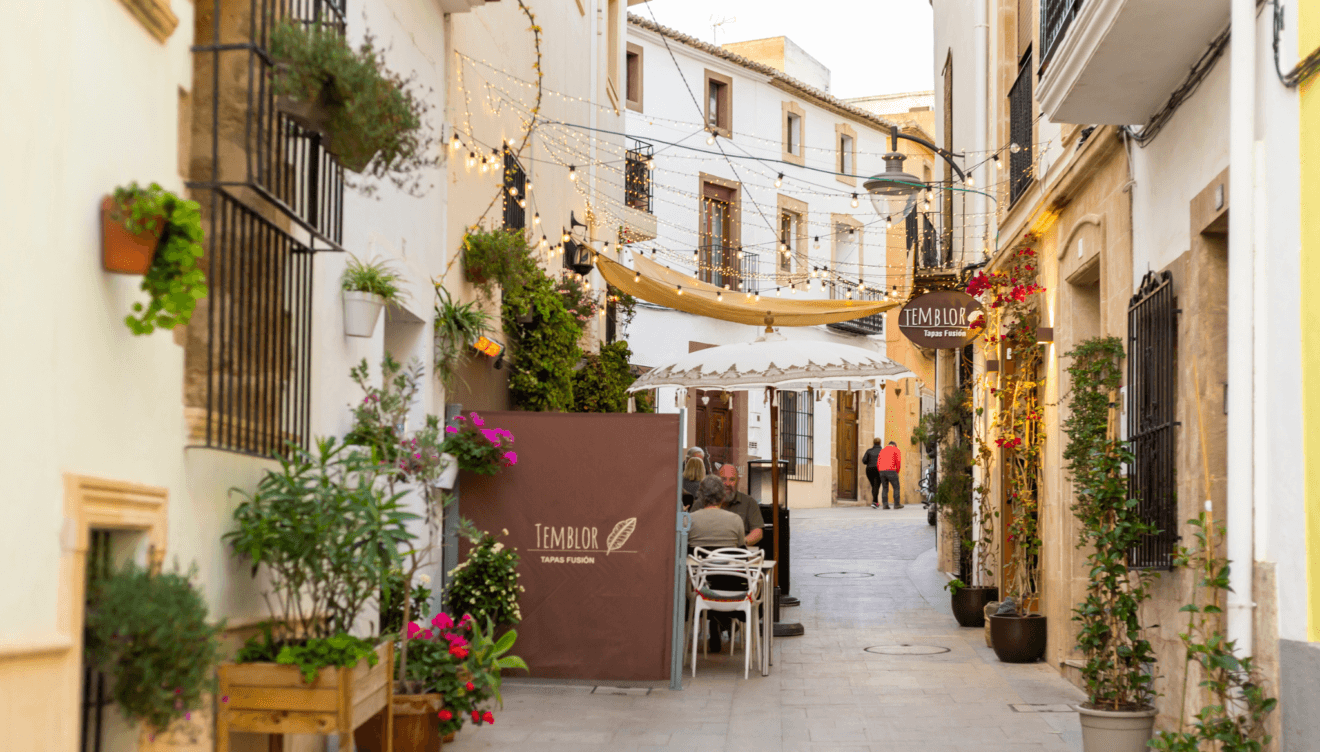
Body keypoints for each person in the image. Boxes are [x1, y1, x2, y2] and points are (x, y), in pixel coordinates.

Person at [691, 464, 764, 547]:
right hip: (702, 554)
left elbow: (758, 531)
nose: (727, 483)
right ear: (717, 481)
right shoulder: (700, 503)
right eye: (723, 479)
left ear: (738, 480)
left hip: (736, 553)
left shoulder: (749, 502)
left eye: (732, 479)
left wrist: (741, 543)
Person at [687, 475, 745, 550]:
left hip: (698, 561)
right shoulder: (736, 520)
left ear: (700, 496)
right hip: (728, 561)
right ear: (723, 497)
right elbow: (742, 549)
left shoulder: (688, 519)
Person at [876, 441, 902, 509]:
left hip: (882, 471)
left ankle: (885, 505)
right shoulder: (895, 449)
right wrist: (897, 471)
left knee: (885, 488)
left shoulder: (882, 450)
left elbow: (878, 462)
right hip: (891, 470)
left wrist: (880, 470)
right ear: (894, 445)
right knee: (896, 487)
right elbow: (898, 462)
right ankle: (896, 504)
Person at [861, 438, 884, 508]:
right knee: (876, 486)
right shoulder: (882, 451)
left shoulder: (869, 451)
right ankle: (875, 502)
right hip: (879, 469)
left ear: (873, 443)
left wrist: (870, 461)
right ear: (880, 443)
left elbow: (864, 461)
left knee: (874, 486)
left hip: (869, 470)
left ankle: (875, 502)